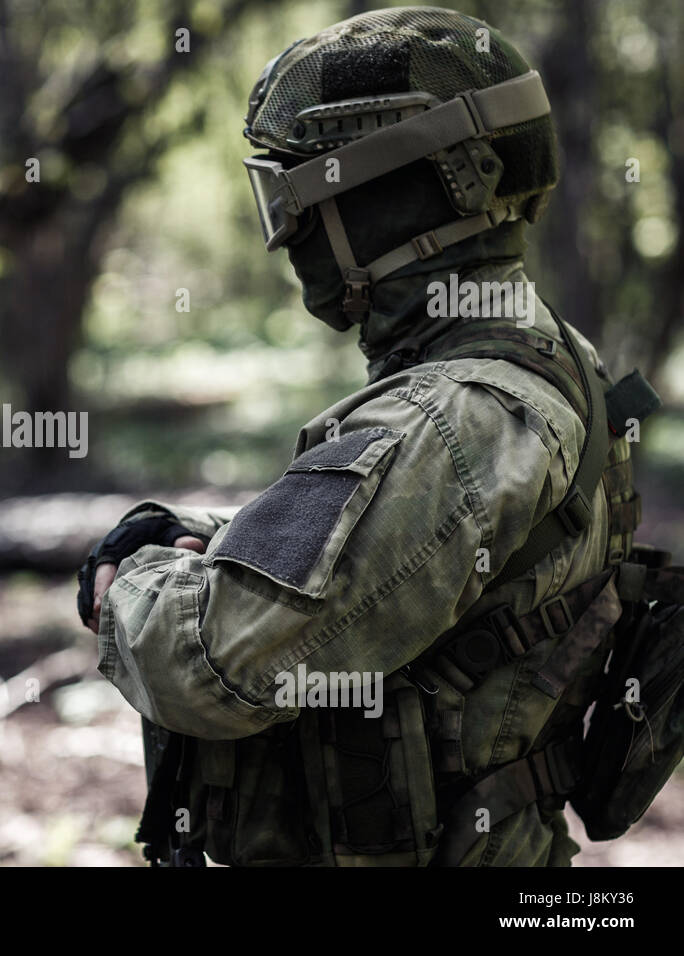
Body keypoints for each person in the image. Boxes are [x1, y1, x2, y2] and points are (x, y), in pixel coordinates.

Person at [77, 6, 658, 866]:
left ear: (389, 198)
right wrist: (227, 546)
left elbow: (211, 666)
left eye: (297, 195)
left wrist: (128, 584)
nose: (288, 234)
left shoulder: (451, 418)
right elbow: (404, 571)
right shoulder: (552, 355)